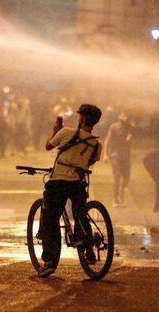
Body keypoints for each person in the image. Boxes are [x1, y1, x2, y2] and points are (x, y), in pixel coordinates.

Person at [38, 104, 103, 278]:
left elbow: (48, 146)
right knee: (81, 215)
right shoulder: (96, 145)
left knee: (50, 219)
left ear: (81, 119)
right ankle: (88, 247)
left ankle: (50, 262)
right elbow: (88, 163)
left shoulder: (65, 132)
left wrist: (55, 130)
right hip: (78, 184)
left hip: (58, 182)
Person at [104, 111, 132, 207]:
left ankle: (121, 190)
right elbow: (108, 140)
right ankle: (115, 199)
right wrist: (105, 154)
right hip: (115, 154)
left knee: (126, 177)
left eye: (126, 115)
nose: (125, 117)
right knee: (117, 176)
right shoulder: (114, 127)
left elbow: (132, 138)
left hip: (126, 155)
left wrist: (130, 138)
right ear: (119, 116)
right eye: (123, 115)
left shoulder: (130, 127)